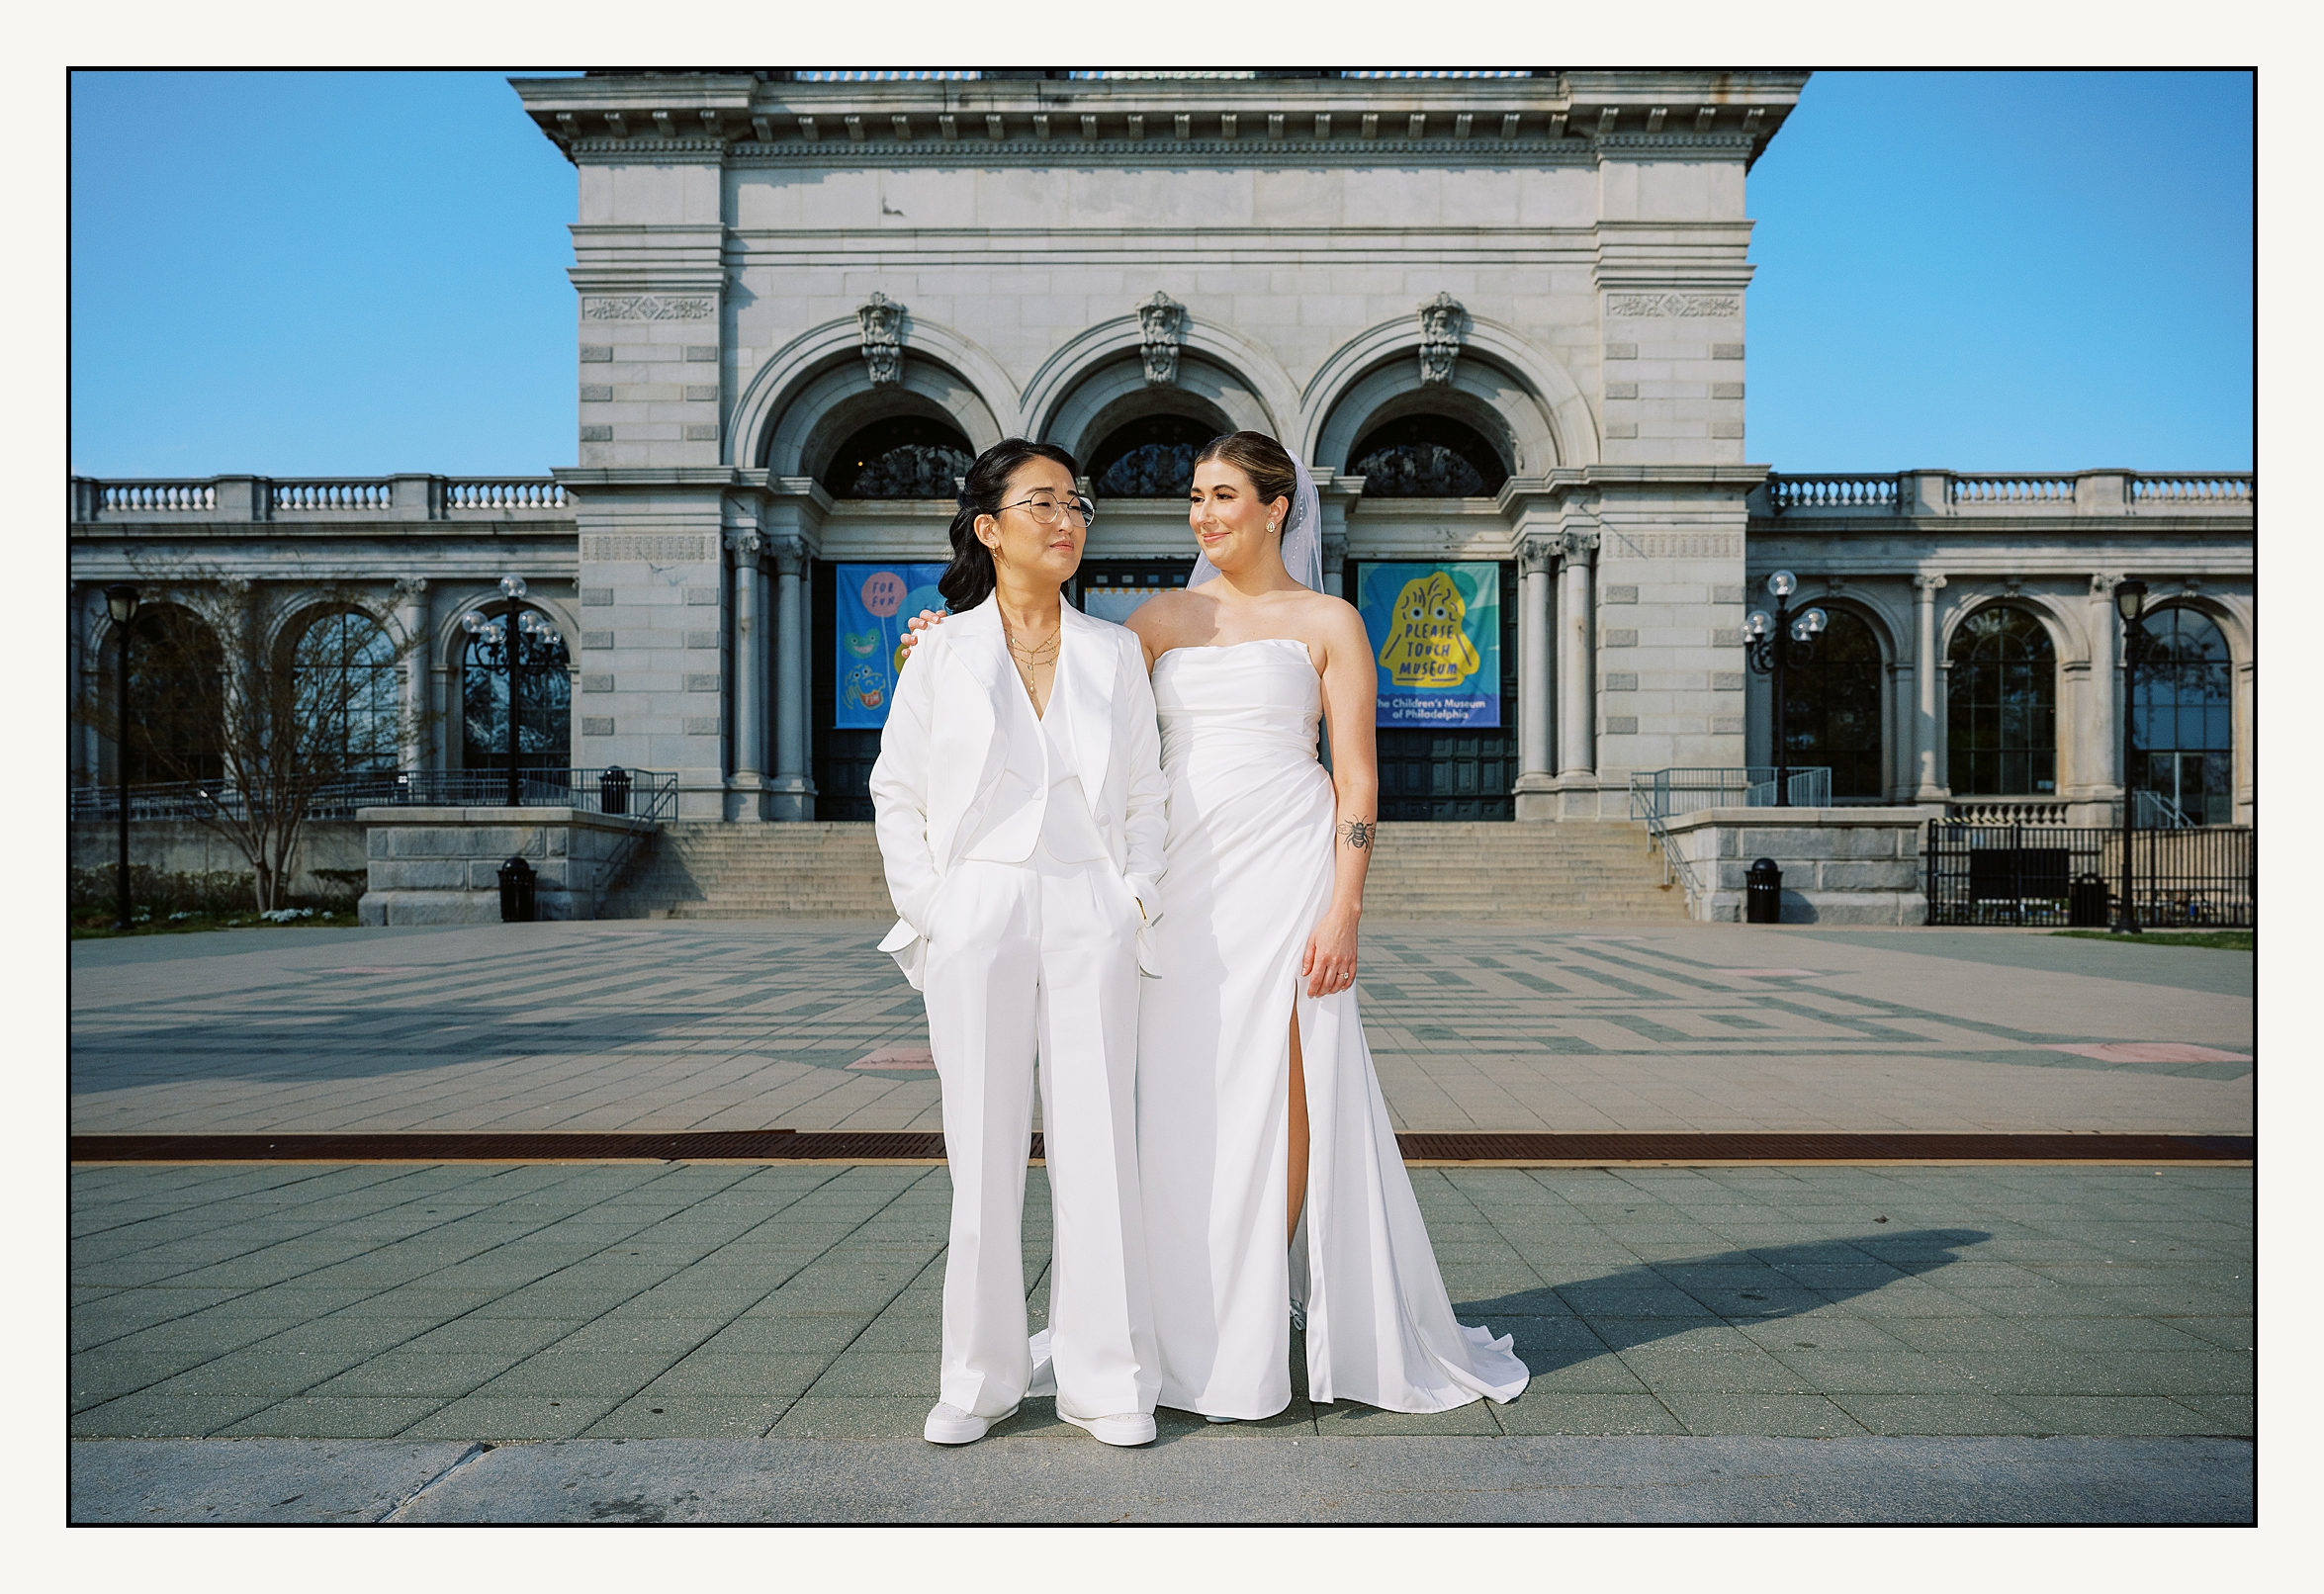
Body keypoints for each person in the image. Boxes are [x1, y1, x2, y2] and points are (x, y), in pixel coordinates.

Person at [906, 430, 1529, 1422]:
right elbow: (1039, 672)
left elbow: (1359, 780)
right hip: (1177, 886)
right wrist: (935, 647)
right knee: (1172, 1105)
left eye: (1223, 495)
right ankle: (1150, 1325)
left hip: (1287, 871)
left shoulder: (1328, 622)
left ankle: (1242, 1332)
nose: (1202, 514)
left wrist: (1344, 905)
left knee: (1280, 1094)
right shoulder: (1151, 620)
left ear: (1277, 507)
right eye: (1193, 496)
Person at [867, 438, 1167, 1449]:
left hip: (1090, 902)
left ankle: (1107, 1381)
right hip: (978, 908)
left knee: (1098, 1153)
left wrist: (1133, 896)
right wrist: (937, 908)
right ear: (989, 527)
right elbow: (895, 791)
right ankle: (978, 1380)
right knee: (983, 1155)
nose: (1066, 519)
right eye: (1041, 502)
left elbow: (1145, 794)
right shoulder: (940, 652)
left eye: (1075, 503)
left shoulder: (1114, 650)